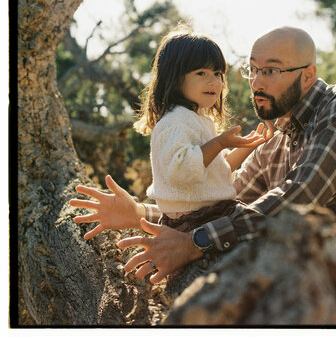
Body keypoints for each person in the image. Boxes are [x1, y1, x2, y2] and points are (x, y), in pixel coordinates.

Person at [71, 26, 336, 283]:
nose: (258, 82)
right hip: (325, 286)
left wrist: (197, 243)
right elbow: (220, 203)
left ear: (308, 76)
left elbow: (301, 195)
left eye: (272, 70)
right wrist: (139, 213)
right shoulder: (274, 139)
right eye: (253, 70)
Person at [70, 25, 273, 282]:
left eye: (218, 73)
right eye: (201, 73)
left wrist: (248, 147)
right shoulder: (176, 122)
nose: (214, 81)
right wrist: (220, 142)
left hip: (206, 216)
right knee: (267, 225)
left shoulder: (196, 119)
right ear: (176, 77)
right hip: (199, 221)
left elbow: (215, 171)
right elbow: (183, 172)